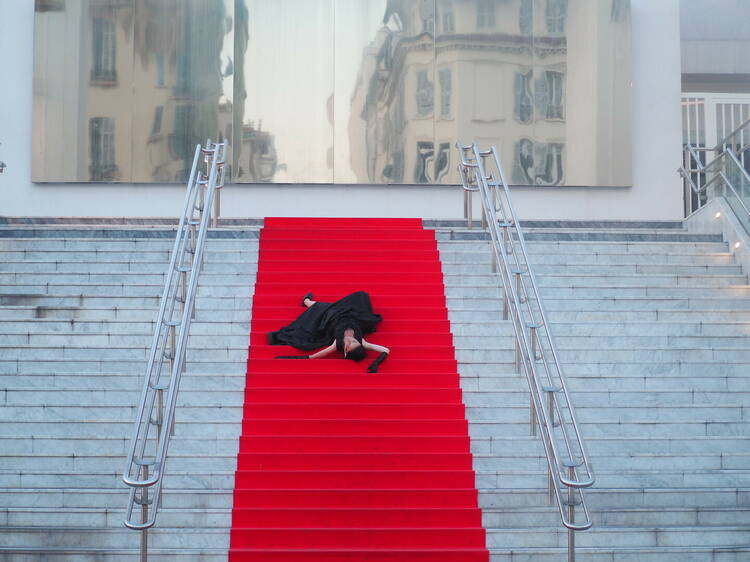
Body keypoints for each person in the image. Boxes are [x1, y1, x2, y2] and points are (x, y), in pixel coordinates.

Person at [268, 290, 390, 373]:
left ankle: (307, 302)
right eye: (354, 341)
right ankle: (310, 303)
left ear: (345, 351)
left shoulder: (336, 344)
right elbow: (386, 350)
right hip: (350, 314)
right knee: (361, 295)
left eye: (350, 343)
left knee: (324, 309)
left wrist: (305, 358)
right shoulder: (362, 342)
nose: (350, 339)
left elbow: (319, 355)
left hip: (332, 318)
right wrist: (377, 363)